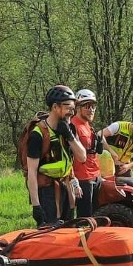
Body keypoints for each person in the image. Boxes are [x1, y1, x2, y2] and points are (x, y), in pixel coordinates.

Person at [26, 85, 87, 227]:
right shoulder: (38, 134)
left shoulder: (69, 128)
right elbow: (31, 172)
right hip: (47, 191)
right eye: (68, 108)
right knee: (50, 235)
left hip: (66, 188)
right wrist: (36, 205)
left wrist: (69, 136)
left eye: (73, 109)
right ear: (55, 107)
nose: (71, 113)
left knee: (69, 231)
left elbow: (82, 157)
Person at [71, 89, 105, 218]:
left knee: (96, 214)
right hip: (83, 178)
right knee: (85, 217)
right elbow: (69, 156)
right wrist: (74, 182)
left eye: (93, 106)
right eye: (87, 106)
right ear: (78, 107)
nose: (91, 110)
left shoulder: (88, 125)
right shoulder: (73, 126)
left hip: (95, 176)